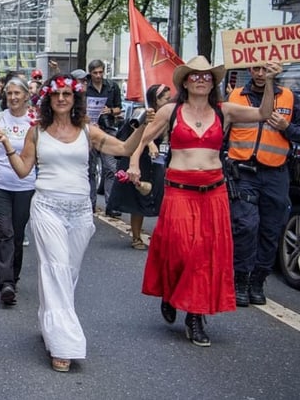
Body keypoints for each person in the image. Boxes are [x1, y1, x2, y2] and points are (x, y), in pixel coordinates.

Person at [0, 73, 150, 372]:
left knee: (68, 274)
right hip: (47, 207)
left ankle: (49, 321)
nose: (61, 99)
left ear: (75, 98)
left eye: (67, 94)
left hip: (79, 211)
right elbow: (24, 170)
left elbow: (126, 149)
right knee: (57, 268)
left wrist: (143, 125)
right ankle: (64, 344)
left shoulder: (88, 131)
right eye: (56, 94)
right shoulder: (36, 132)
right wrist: (6, 147)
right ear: (48, 99)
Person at [128, 57, 281, 348]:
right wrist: (134, 161)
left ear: (214, 82)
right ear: (185, 82)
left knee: (202, 256)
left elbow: (263, 113)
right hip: (179, 191)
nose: (201, 80)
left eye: (207, 76)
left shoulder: (225, 111)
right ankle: (170, 292)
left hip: (213, 192)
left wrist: (271, 81)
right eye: (195, 76)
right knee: (181, 250)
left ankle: (195, 316)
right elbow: (141, 139)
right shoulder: (170, 111)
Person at [226, 64, 300, 306]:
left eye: (265, 69)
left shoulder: (290, 97)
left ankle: (258, 281)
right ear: (250, 68)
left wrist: (286, 128)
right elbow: (221, 132)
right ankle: (241, 280)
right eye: (256, 69)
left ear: (275, 70)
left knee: (271, 229)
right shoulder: (235, 96)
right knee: (246, 226)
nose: (260, 74)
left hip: (276, 174)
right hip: (243, 172)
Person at [0, 77, 36, 306]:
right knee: (3, 231)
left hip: (25, 186)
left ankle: (13, 276)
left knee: (16, 231)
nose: (13, 97)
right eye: (9, 93)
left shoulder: (36, 121)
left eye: (17, 93)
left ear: (26, 95)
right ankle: (6, 283)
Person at [107, 84, 173, 250]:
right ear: (156, 100)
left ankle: (165, 238)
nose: (169, 102)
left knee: (160, 199)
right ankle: (136, 237)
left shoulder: (170, 116)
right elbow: (137, 133)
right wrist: (149, 143)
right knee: (138, 200)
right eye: (166, 99)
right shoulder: (142, 113)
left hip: (159, 162)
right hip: (140, 159)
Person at [84, 60, 122, 215]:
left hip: (108, 129)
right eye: (95, 73)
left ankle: (111, 205)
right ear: (90, 73)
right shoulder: (85, 89)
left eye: (100, 72)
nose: (98, 76)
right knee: (90, 169)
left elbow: (119, 108)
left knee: (111, 168)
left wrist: (110, 111)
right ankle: (91, 204)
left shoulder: (112, 87)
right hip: (90, 129)